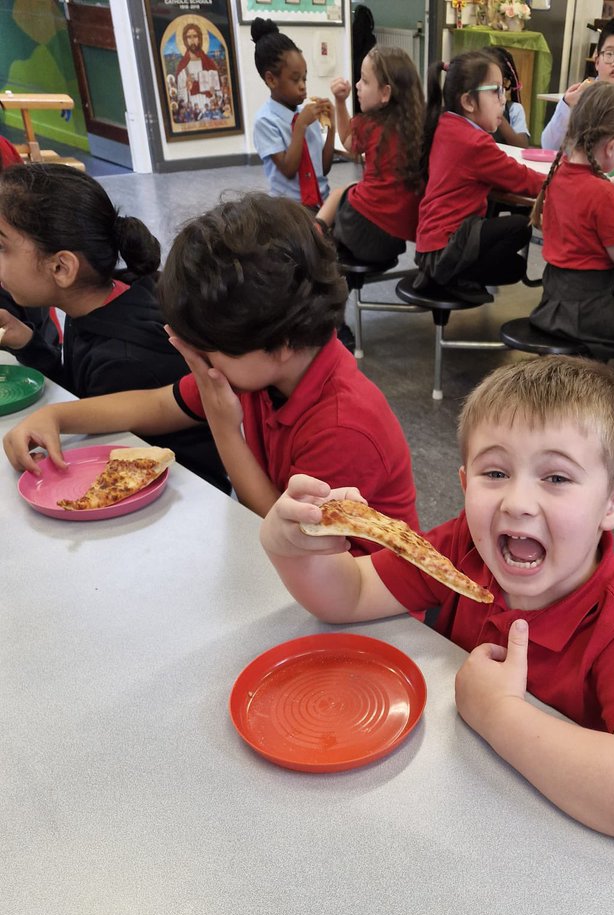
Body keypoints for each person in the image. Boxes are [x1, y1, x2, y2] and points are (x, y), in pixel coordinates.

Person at [259, 355, 614, 848]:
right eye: (495, 472)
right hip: (453, 821)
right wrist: (292, 551)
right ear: (465, 483)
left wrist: (499, 714)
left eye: (556, 478)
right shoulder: (462, 552)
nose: (516, 501)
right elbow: (350, 594)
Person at [3, 195, 418, 532]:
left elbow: (289, 532)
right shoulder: (256, 366)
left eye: (208, 347)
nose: (198, 358)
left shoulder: (343, 426)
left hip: (366, 600)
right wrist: (57, 416)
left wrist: (224, 429)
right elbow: (160, 404)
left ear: (282, 342)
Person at [0, 162, 226, 491]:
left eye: (2, 247)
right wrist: (27, 343)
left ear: (62, 267)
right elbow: (85, 397)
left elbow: (135, 471)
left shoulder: (123, 359)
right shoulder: (106, 298)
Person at [528, 84, 614, 360]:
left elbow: (585, 195)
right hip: (589, 312)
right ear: (611, 147)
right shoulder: (602, 193)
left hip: (552, 302)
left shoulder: (559, 173)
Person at [414, 51, 544, 299]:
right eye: (495, 91)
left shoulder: (445, 123)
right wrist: (561, 181)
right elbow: (523, 180)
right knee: (521, 228)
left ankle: (450, 276)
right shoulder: (474, 142)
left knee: (514, 267)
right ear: (468, 102)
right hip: (445, 248)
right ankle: (450, 277)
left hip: (430, 247)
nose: (503, 100)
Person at [316, 47, 423, 263]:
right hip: (394, 241)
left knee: (340, 192)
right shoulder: (420, 127)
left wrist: (339, 102)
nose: (357, 86)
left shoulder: (370, 124)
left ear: (385, 93)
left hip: (360, 229)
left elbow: (347, 142)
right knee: (355, 189)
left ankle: (313, 234)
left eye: (364, 81)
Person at [541, 18, 614, 165]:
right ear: (597, 60)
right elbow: (549, 147)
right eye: (609, 53)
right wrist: (567, 105)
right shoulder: (576, 99)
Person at [251, 18, 334, 210]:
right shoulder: (265, 121)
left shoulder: (305, 116)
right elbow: (288, 169)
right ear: (271, 80)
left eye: (305, 78)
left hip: (322, 202)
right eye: (295, 79)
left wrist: (332, 126)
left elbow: (324, 167)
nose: (303, 85)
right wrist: (300, 127)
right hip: (290, 212)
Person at [175, 23, 222, 115]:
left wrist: (215, 93)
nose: (192, 40)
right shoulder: (183, 67)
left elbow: (219, 91)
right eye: (189, 37)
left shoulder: (209, 63)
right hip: (193, 107)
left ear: (200, 39)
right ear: (185, 40)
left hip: (210, 106)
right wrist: (186, 86)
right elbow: (180, 95)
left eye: (195, 36)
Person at [487, 46, 530, 148]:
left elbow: (522, 145)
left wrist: (499, 115)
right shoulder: (471, 109)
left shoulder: (514, 109)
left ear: (505, 82)